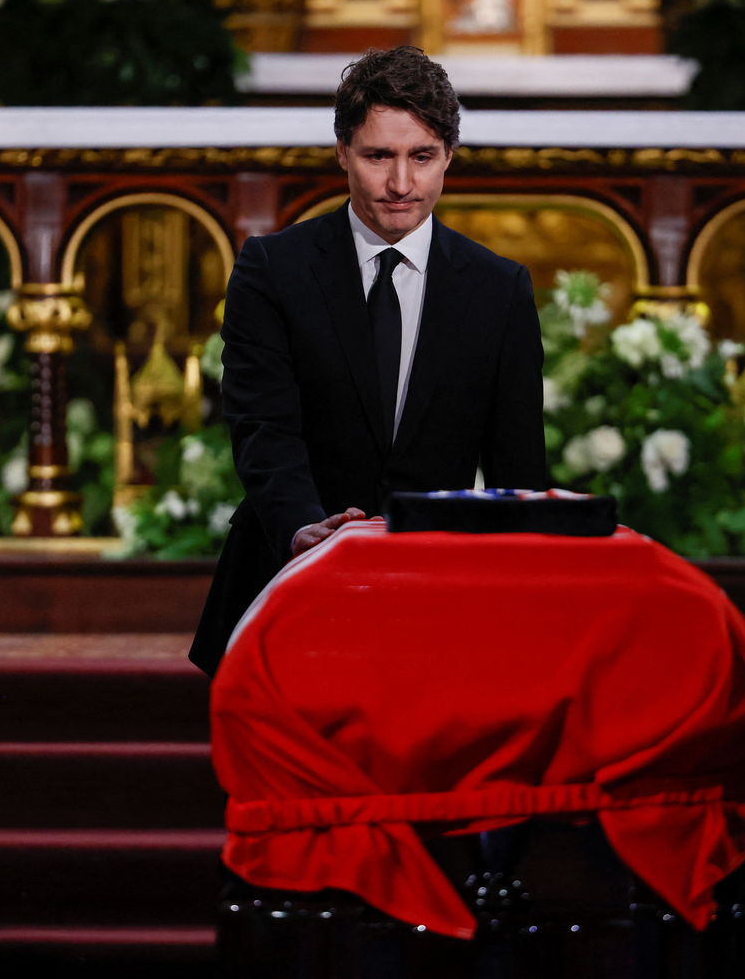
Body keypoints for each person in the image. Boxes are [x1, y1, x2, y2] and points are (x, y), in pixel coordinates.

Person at [189, 46, 548, 677]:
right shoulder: (273, 269)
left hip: (440, 598)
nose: (401, 184)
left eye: (422, 157)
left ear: (449, 158)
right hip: (287, 582)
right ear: (341, 152)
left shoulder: (499, 288)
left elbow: (518, 465)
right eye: (379, 156)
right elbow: (262, 426)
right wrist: (302, 530)